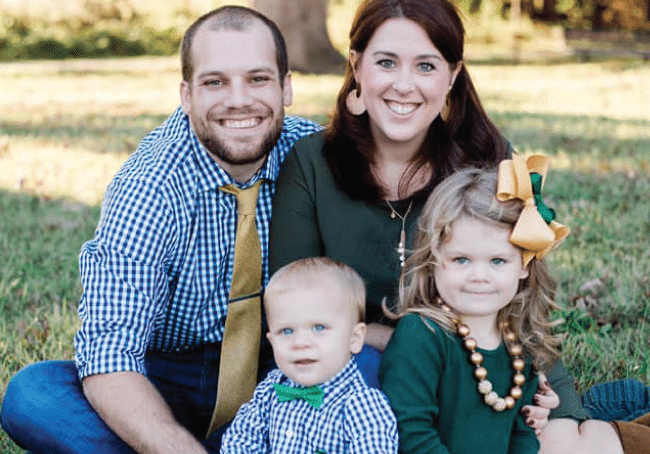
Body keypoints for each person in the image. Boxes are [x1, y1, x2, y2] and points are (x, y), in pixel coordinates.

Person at [268, 0, 643, 451]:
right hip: (362, 362)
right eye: (386, 62)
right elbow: (295, 308)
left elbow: (520, 294)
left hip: (483, 363)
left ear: (452, 76)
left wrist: (553, 402)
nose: (404, 84)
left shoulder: (487, 159)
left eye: (426, 66)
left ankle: (613, 421)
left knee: (560, 443)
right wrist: (423, 346)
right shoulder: (312, 163)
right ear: (356, 66)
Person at [0, 6, 320, 454]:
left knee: (367, 365)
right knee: (34, 395)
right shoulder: (150, 185)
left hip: (282, 372)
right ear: (186, 95)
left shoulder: (315, 155)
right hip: (167, 378)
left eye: (258, 79)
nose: (239, 100)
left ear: (286, 87)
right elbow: (111, 351)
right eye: (215, 82)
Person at [379, 159, 568, 453]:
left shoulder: (519, 341)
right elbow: (410, 433)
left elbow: (523, 432)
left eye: (497, 261)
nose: (479, 276)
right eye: (461, 259)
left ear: (524, 266)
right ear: (432, 260)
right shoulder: (421, 335)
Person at [220, 257, 398, 453]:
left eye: (318, 327)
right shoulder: (271, 389)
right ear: (272, 341)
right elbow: (240, 440)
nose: (300, 343)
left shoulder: (362, 406)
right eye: (286, 331)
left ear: (354, 338)